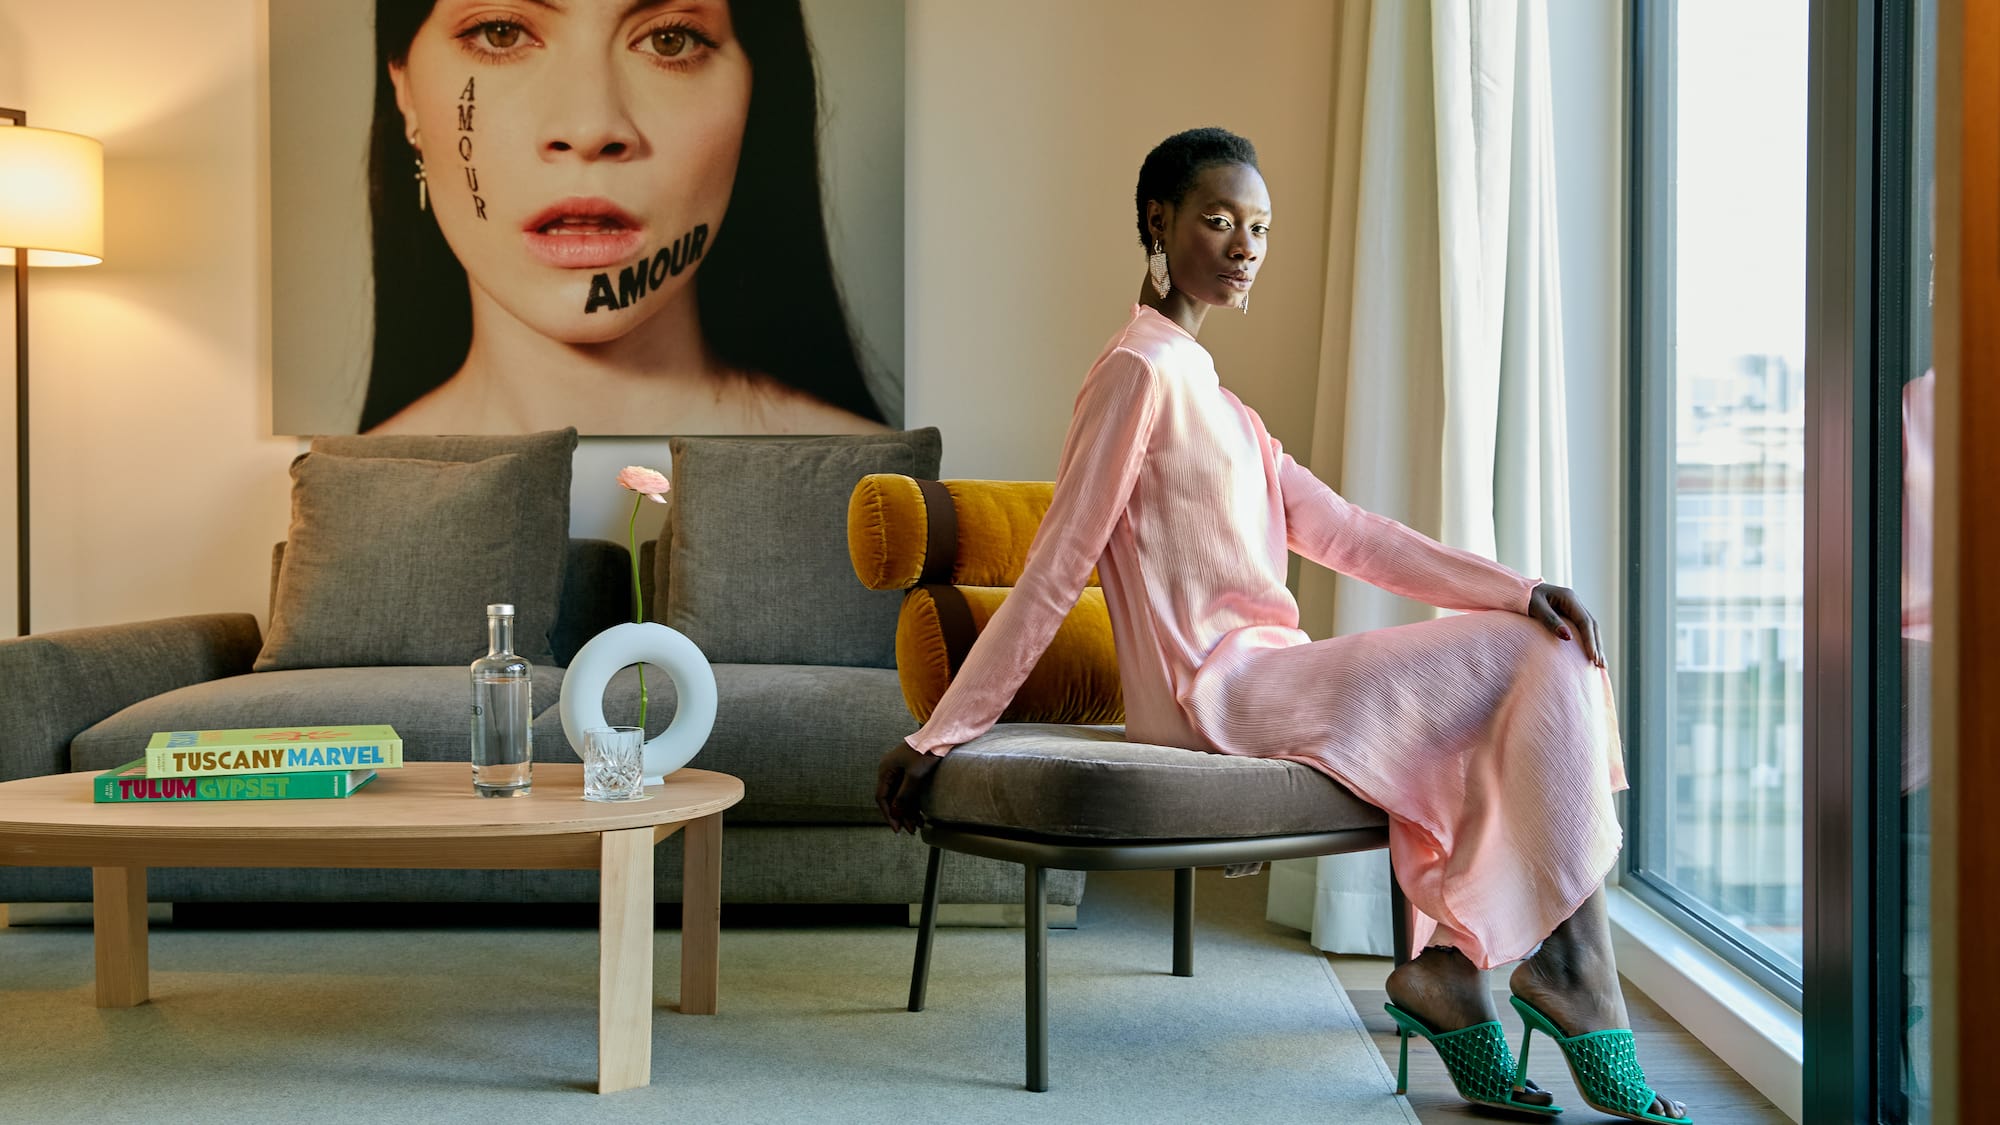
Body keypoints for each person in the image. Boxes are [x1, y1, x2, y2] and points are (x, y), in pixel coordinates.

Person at [874, 128, 1690, 1123]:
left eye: (1257, 227)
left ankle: (1457, 971)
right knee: (1528, 655)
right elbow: (1057, 565)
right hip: (1212, 695)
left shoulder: (1222, 405)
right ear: (1155, 223)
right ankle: (1556, 963)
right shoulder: (1135, 372)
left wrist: (1516, 586)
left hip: (1274, 676)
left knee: (1537, 644)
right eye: (1216, 220)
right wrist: (941, 730)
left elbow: (1348, 535)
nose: (1242, 245)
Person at [360, 0, 889, 435]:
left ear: (755, 90)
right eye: (501, 33)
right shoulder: (345, 492)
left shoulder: (875, 492)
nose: (592, 126)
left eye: (669, 41)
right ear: (403, 87)